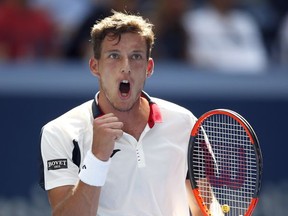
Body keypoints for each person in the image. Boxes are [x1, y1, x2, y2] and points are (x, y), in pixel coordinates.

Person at [39, 11, 202, 216]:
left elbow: (203, 206)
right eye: (114, 56)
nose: (126, 67)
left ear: (148, 67)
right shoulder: (60, 132)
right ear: (95, 66)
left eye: (136, 57)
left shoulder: (185, 123)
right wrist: (97, 158)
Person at [183, 0, 268, 73]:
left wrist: (223, 60)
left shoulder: (245, 21)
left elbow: (258, 59)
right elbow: (200, 58)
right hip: (208, 82)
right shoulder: (194, 20)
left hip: (247, 82)